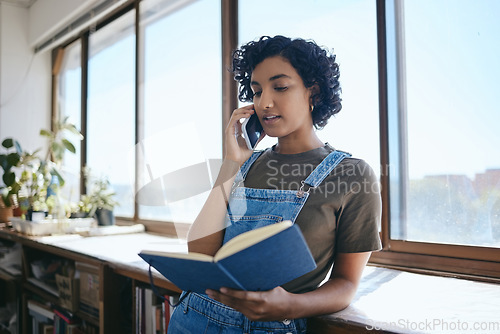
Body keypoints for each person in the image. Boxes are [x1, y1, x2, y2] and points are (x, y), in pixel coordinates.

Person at [167, 35, 382, 333]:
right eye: (256, 91)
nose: (264, 102)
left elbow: (346, 283)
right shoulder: (245, 164)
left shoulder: (352, 175)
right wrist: (230, 164)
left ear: (314, 92)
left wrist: (291, 305)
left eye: (280, 87)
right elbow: (200, 252)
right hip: (192, 320)